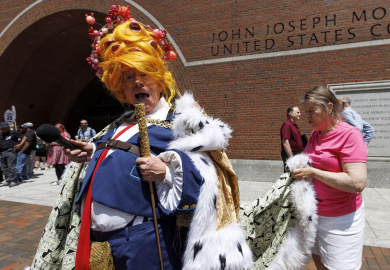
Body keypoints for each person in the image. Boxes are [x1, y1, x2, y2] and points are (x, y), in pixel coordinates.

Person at [32, 6, 252, 270]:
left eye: (145, 74)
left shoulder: (180, 122)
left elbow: (211, 179)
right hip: (98, 242)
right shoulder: (117, 126)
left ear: (159, 81)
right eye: (128, 77)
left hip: (145, 242)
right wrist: (91, 151)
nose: (138, 82)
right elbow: (119, 152)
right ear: (121, 89)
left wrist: (168, 171)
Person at [292, 86, 367, 270]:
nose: (307, 116)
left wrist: (314, 173)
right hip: (315, 215)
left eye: (312, 111)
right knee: (322, 265)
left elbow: (357, 182)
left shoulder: (350, 135)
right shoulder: (315, 134)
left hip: (340, 221)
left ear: (329, 107)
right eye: (305, 112)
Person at [280, 106, 304, 172]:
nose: (300, 114)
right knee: (290, 175)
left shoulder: (294, 125)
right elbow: (285, 142)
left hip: (296, 154)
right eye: (298, 112)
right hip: (291, 154)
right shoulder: (287, 125)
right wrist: (291, 157)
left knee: (296, 175)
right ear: (291, 113)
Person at [0, 122, 23, 187]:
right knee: (4, 168)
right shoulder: (1, 134)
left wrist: (20, 145)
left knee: (11, 167)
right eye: (2, 129)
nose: (4, 130)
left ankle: (13, 180)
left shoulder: (13, 132)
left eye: (5, 128)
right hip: (2, 152)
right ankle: (7, 180)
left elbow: (24, 137)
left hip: (11, 152)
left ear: (8, 127)